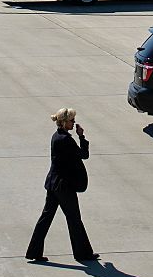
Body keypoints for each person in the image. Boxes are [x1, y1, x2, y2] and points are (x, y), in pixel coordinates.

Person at [25, 108, 99, 263]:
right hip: (64, 187)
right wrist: (82, 137)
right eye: (72, 120)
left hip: (53, 184)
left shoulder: (56, 137)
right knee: (74, 219)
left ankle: (34, 252)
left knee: (46, 218)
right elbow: (84, 155)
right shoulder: (66, 140)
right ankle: (83, 254)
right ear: (65, 122)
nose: (74, 123)